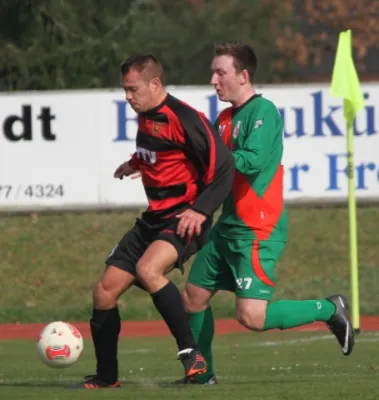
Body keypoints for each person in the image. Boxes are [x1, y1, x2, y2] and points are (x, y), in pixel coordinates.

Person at [177, 41, 355, 385]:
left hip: (258, 229)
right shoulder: (225, 118)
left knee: (251, 317)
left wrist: (212, 160)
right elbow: (211, 168)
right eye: (212, 72)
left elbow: (252, 161)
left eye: (220, 72)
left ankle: (330, 309)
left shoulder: (264, 112)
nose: (213, 80)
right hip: (227, 228)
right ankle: (202, 376)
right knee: (193, 297)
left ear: (243, 76)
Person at [70, 54, 235, 389]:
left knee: (149, 270)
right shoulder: (146, 116)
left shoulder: (185, 118)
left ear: (155, 84)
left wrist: (200, 210)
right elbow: (159, 152)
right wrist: (135, 163)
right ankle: (106, 377)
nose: (128, 97)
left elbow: (224, 167)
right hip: (153, 220)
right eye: (125, 90)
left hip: (185, 217)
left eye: (133, 89)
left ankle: (192, 356)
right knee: (103, 291)